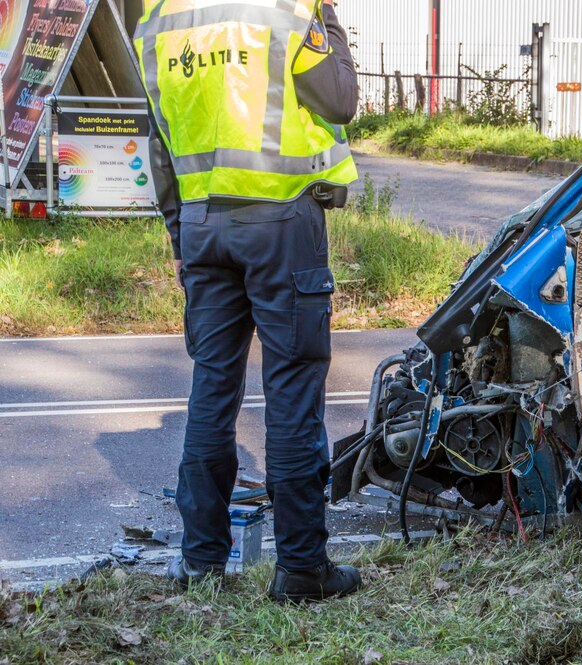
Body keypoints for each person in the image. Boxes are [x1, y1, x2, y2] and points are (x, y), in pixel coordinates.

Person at [135, 0, 361, 602]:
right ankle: (302, 569)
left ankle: (201, 561)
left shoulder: (161, 16)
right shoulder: (288, 9)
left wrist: (176, 228)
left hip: (203, 225)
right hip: (281, 220)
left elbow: (158, 138)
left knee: (212, 387)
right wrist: (330, 19)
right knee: (291, 388)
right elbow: (339, 99)